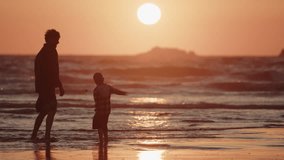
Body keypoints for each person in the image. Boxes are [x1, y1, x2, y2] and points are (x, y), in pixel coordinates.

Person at [31, 29, 64, 142]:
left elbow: (56, 71)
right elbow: (39, 73)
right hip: (44, 87)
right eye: (56, 40)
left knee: (45, 111)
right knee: (51, 110)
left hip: (50, 87)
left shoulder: (53, 52)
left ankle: (34, 135)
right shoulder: (42, 54)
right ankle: (46, 137)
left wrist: (60, 86)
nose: (58, 42)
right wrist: (41, 90)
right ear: (49, 39)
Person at [92, 72, 127, 146]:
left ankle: (102, 140)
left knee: (100, 126)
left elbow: (97, 102)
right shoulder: (108, 87)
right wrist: (124, 93)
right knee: (104, 124)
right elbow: (117, 91)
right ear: (103, 79)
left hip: (99, 110)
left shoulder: (96, 90)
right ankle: (105, 140)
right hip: (107, 110)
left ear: (95, 81)